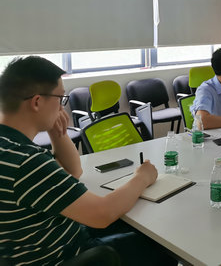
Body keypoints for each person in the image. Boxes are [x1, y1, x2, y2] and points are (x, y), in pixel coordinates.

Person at [0, 56, 177, 266]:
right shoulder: (27, 162)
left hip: (43, 242)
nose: (62, 108)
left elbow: (73, 171)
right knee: (162, 247)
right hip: (66, 255)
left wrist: (56, 131)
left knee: (133, 225)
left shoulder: (9, 147)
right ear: (37, 102)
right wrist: (142, 177)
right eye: (60, 99)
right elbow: (102, 214)